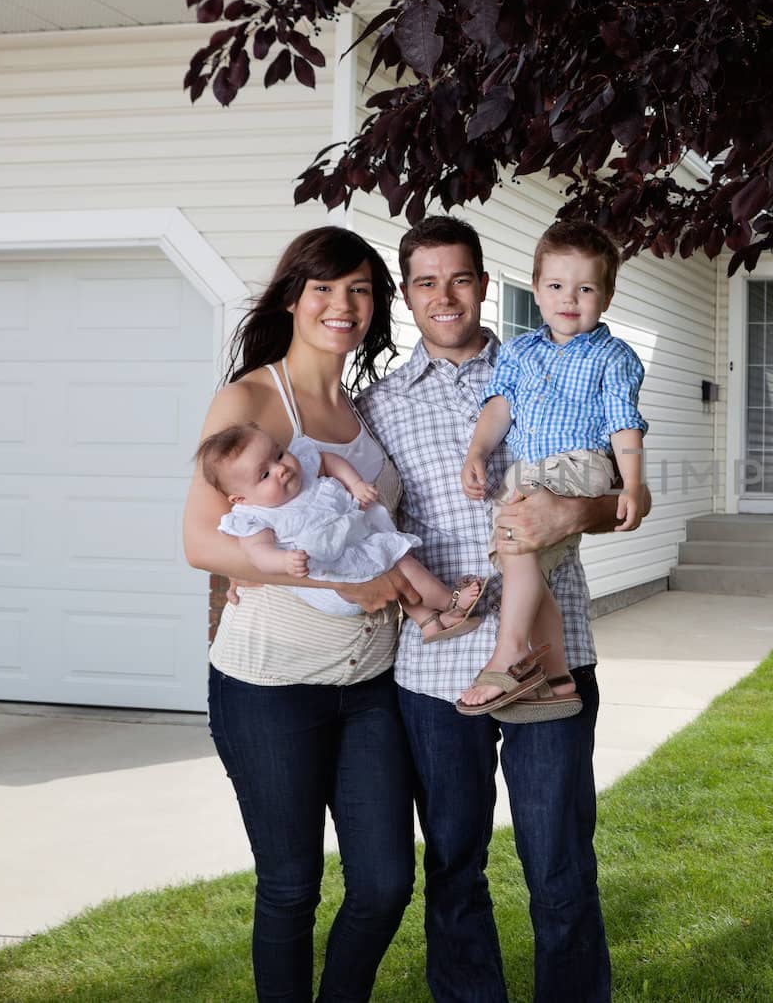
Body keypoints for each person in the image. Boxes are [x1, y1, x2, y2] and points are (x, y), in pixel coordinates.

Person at [356, 215, 648, 1003]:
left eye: (459, 278)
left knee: (558, 862)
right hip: (436, 669)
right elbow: (364, 529)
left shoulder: (554, 360)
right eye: (425, 282)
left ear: (486, 285)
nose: (444, 296)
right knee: (454, 862)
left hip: (554, 652)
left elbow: (622, 495)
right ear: (408, 296)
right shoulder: (378, 407)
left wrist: (568, 516)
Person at [182, 227, 420, 1003]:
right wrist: (333, 584)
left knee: (385, 882)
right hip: (271, 684)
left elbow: (366, 530)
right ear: (292, 297)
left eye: (358, 288)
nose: (341, 304)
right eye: (323, 287)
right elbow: (199, 541)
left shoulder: (363, 409)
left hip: (371, 682)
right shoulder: (252, 398)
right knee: (290, 884)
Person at [458, 221, 647, 718]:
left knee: (517, 539)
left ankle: (510, 652)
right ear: (537, 290)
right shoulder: (520, 352)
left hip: (578, 464)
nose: (570, 298)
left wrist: (632, 483)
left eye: (586, 288)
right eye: (557, 286)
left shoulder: (612, 356)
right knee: (518, 555)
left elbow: (624, 424)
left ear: (606, 297)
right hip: (528, 469)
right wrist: (477, 452)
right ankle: (558, 675)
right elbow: (500, 408)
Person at [198, 422, 482, 642]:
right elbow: (258, 555)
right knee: (401, 565)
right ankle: (449, 601)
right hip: (331, 578)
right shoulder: (255, 516)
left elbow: (328, 460)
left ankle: (430, 623)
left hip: (354, 547)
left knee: (395, 569)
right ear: (240, 499)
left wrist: (355, 483)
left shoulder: (303, 470)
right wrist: (283, 562)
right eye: (264, 475)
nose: (281, 469)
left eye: (279, 454)